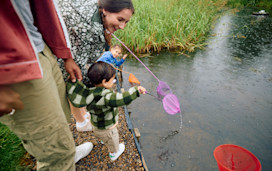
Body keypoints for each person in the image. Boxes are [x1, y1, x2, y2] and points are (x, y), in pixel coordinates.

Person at [0, 1, 93, 170]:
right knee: (53, 151)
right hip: (14, 66)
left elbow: (45, 8)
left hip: (40, 49)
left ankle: (68, 153)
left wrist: (66, 55)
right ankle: (62, 157)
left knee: (62, 117)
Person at [57, 0, 134, 132]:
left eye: (126, 22)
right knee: (74, 81)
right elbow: (78, 69)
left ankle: (82, 115)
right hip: (58, 58)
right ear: (105, 10)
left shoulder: (96, 11)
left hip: (71, 51)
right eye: (120, 19)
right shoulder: (85, 26)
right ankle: (81, 122)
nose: (122, 26)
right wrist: (99, 86)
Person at [67, 62, 146, 161]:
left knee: (103, 136)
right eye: (113, 80)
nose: (114, 82)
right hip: (107, 129)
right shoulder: (106, 97)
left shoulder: (90, 91)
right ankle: (114, 153)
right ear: (104, 82)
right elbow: (122, 99)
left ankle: (104, 140)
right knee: (113, 141)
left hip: (96, 125)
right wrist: (136, 90)